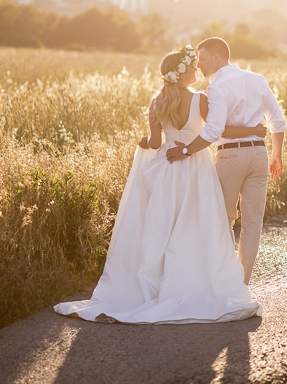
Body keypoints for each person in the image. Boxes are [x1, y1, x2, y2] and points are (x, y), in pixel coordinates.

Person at [54, 45, 263, 324]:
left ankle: (156, 283)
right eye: (191, 66)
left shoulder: (156, 103)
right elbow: (215, 130)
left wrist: (146, 142)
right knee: (195, 223)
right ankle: (195, 280)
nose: (196, 69)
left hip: (167, 167)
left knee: (163, 224)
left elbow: (154, 143)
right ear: (182, 73)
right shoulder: (200, 100)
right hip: (195, 167)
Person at [166, 37, 286, 285]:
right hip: (259, 155)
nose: (197, 65)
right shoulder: (257, 79)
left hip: (231, 156)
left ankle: (226, 283)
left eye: (201, 58)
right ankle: (241, 284)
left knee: (223, 219)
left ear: (216, 58)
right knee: (253, 222)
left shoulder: (217, 87)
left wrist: (186, 151)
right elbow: (278, 120)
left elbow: (213, 131)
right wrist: (277, 155)